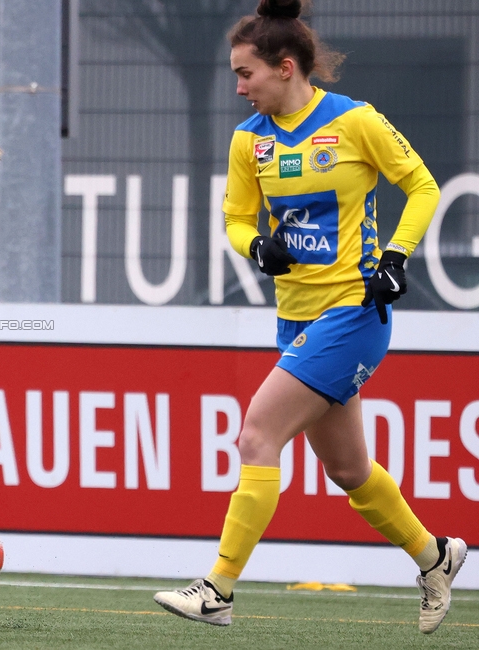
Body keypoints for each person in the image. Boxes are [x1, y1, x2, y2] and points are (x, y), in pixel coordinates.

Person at [153, 0, 466, 634]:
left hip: (354, 310)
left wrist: (397, 255)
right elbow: (237, 219)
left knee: (255, 435)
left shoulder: (355, 122)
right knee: (349, 470)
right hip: (293, 320)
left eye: (246, 74)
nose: (239, 88)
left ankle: (218, 588)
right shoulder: (251, 139)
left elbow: (424, 185)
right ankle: (436, 556)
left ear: (284, 67)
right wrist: (255, 246)